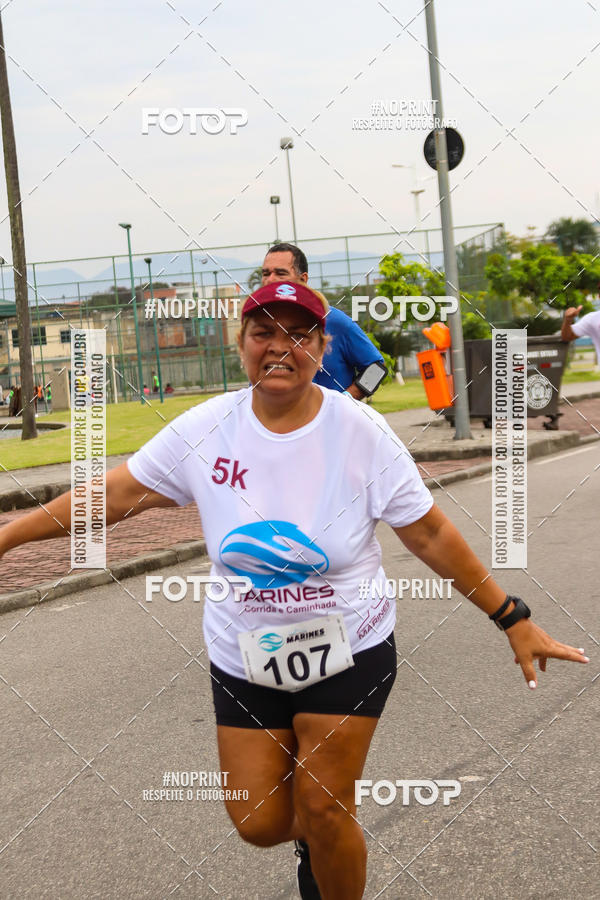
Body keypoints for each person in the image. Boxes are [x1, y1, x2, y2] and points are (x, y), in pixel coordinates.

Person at [0, 281, 588, 900]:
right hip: (244, 653)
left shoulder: (360, 432)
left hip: (350, 645)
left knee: (327, 806)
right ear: (241, 345)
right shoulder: (207, 428)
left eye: (299, 334)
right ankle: (315, 835)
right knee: (258, 823)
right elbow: (111, 496)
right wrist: (10, 536)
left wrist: (511, 615)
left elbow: (432, 534)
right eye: (264, 333)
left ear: (322, 345)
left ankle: (327, 844)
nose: (280, 347)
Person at [261, 243, 387, 399]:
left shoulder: (334, 321)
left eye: (281, 273)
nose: (270, 279)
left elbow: (376, 370)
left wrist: (344, 401)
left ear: (303, 279)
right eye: (266, 273)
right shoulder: (259, 328)